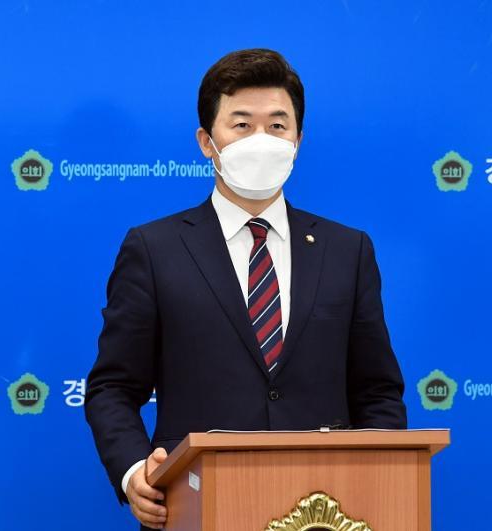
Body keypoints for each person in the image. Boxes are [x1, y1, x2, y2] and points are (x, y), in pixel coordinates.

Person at [84, 48, 407, 530]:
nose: (262, 140)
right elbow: (112, 387)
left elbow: (377, 391)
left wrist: (376, 482)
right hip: (196, 505)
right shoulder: (154, 249)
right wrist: (134, 472)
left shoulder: (347, 249)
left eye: (277, 125)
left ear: (298, 140)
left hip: (328, 510)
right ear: (207, 141)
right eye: (241, 125)